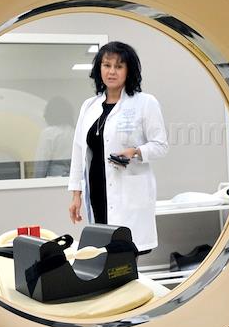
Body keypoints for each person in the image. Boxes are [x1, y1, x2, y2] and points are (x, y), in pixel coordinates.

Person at [67, 41, 168, 253]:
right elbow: (79, 152)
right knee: (102, 253)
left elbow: (161, 146)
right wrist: (76, 195)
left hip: (129, 193)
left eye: (119, 66)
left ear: (128, 71)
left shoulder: (145, 103)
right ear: (99, 69)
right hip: (97, 191)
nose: (112, 71)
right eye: (107, 65)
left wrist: (136, 152)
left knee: (126, 254)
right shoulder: (89, 106)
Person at [33, 96, 75, 177]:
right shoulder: (74, 132)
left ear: (50, 113)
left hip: (55, 178)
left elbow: (41, 163)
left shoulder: (49, 133)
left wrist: (36, 180)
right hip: (73, 177)